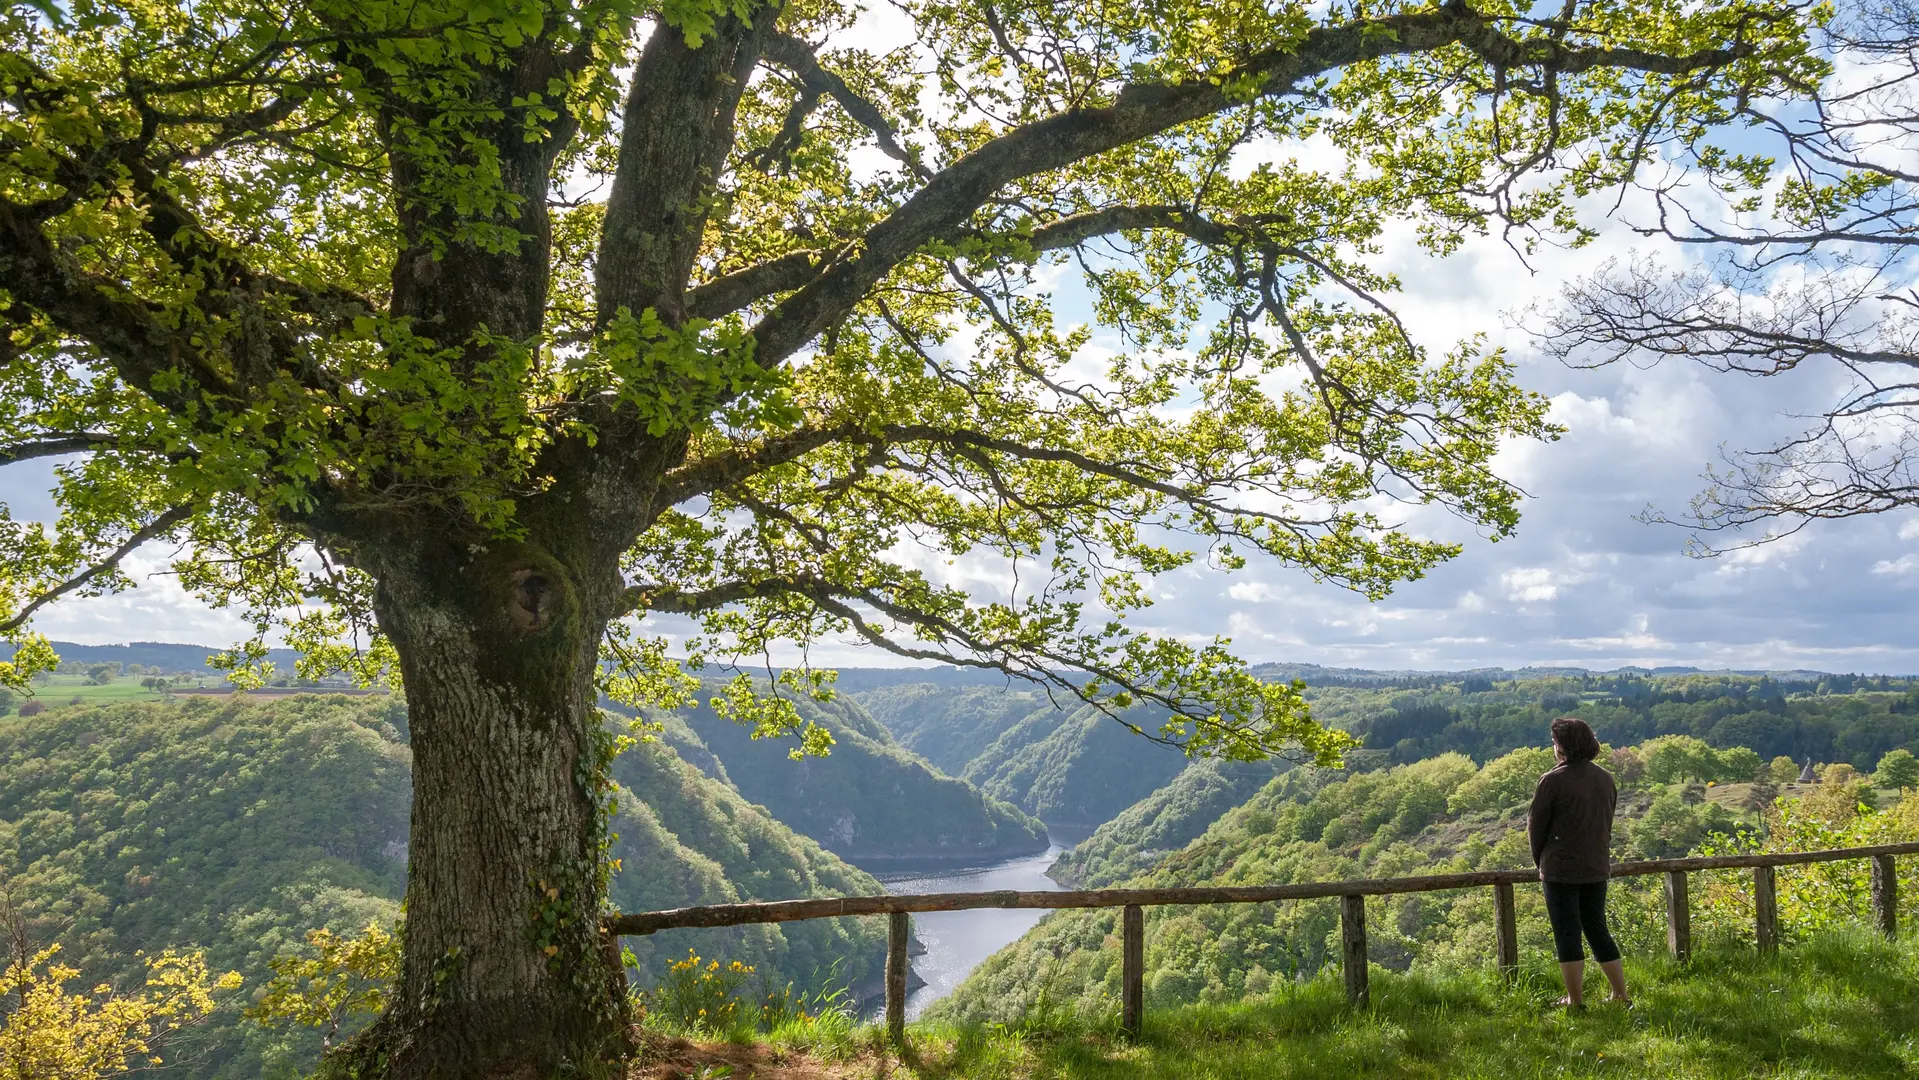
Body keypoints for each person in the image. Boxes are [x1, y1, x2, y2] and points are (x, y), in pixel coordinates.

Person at [1528, 716, 1629, 1009]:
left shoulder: (1552, 781)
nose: (1553, 747)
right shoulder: (1605, 778)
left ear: (1562, 747)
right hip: (1596, 865)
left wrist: (1542, 863)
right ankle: (1620, 995)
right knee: (1598, 928)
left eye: (1554, 742)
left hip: (1561, 870)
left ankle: (1575, 1000)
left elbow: (1537, 829)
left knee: (1567, 933)